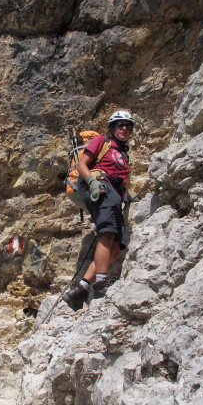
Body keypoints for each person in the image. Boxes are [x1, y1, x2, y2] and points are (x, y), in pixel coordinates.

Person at [62, 110, 134, 311]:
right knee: (107, 233)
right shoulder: (102, 141)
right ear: (112, 127)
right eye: (120, 124)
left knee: (116, 246)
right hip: (100, 186)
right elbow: (82, 165)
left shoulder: (123, 153)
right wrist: (92, 182)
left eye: (128, 126)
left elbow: (124, 179)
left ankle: (81, 289)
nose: (125, 128)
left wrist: (128, 197)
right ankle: (101, 285)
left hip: (115, 195)